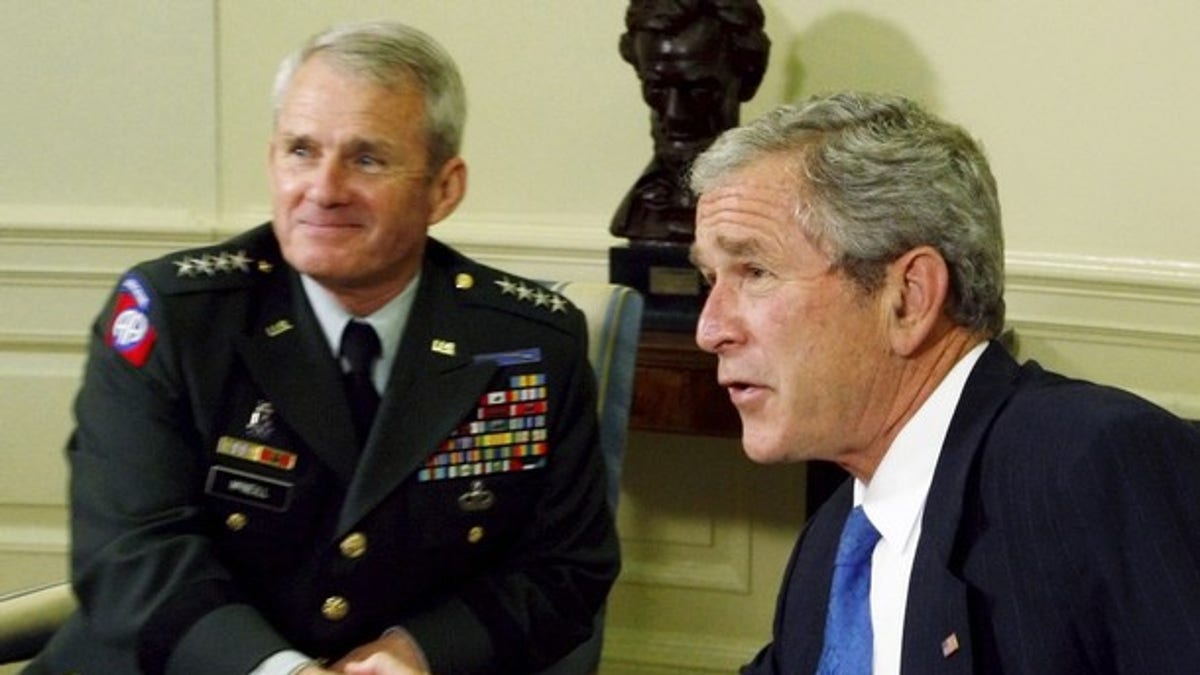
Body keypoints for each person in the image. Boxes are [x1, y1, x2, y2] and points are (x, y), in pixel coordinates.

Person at [29, 20, 618, 675]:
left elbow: (565, 567)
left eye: (367, 158)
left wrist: (420, 651)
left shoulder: (528, 343)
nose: (325, 188)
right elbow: (132, 550)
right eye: (301, 151)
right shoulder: (175, 316)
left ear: (443, 188)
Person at [687, 92, 1200, 674]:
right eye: (710, 278)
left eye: (755, 272)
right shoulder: (833, 547)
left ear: (908, 297)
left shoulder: (1091, 466)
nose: (710, 329)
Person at [610, 0, 770, 242]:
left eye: (699, 91)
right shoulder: (641, 208)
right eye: (657, 88)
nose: (675, 114)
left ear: (748, 80)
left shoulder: (767, 208)